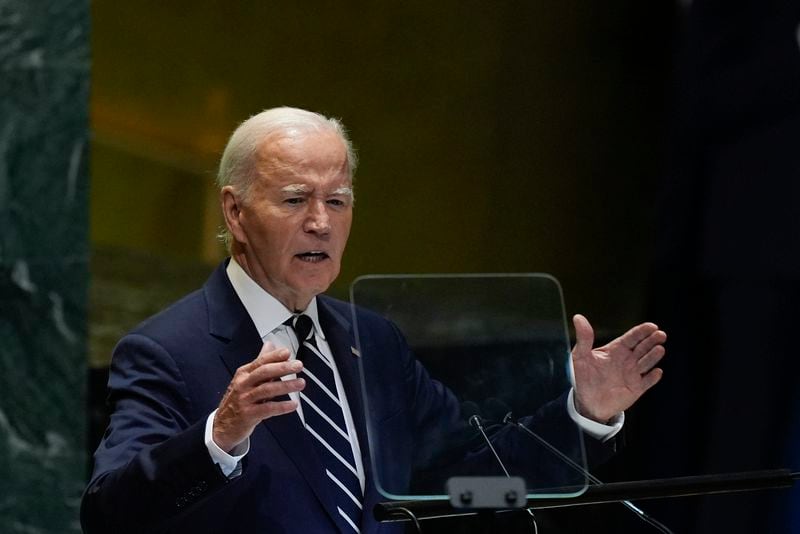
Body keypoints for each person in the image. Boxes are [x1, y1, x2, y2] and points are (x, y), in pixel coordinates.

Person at [81, 107, 667, 534]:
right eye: (294, 200)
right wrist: (221, 435)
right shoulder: (166, 350)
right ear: (235, 211)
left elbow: (465, 481)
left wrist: (586, 414)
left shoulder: (373, 341)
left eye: (337, 201)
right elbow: (111, 514)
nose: (321, 223)